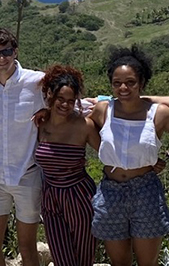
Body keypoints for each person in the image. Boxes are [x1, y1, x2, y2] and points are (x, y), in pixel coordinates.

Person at [88, 46, 169, 266]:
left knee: (148, 262)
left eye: (130, 82)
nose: (123, 87)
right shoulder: (103, 109)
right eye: (117, 83)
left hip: (145, 191)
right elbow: (73, 119)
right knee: (119, 262)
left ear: (142, 83)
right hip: (110, 192)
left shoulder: (159, 113)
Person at [0, 28, 44, 266]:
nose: (1, 58)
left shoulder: (36, 81)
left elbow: (69, 102)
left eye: (6, 51)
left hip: (26, 175)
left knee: (27, 247)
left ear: (15, 51)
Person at [33, 65, 98, 266]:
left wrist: (147, 163)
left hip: (79, 196)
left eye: (71, 101)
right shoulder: (40, 122)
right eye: (61, 99)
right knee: (62, 259)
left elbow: (109, 153)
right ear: (50, 95)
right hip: (50, 196)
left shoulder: (84, 125)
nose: (65, 105)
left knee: (83, 258)